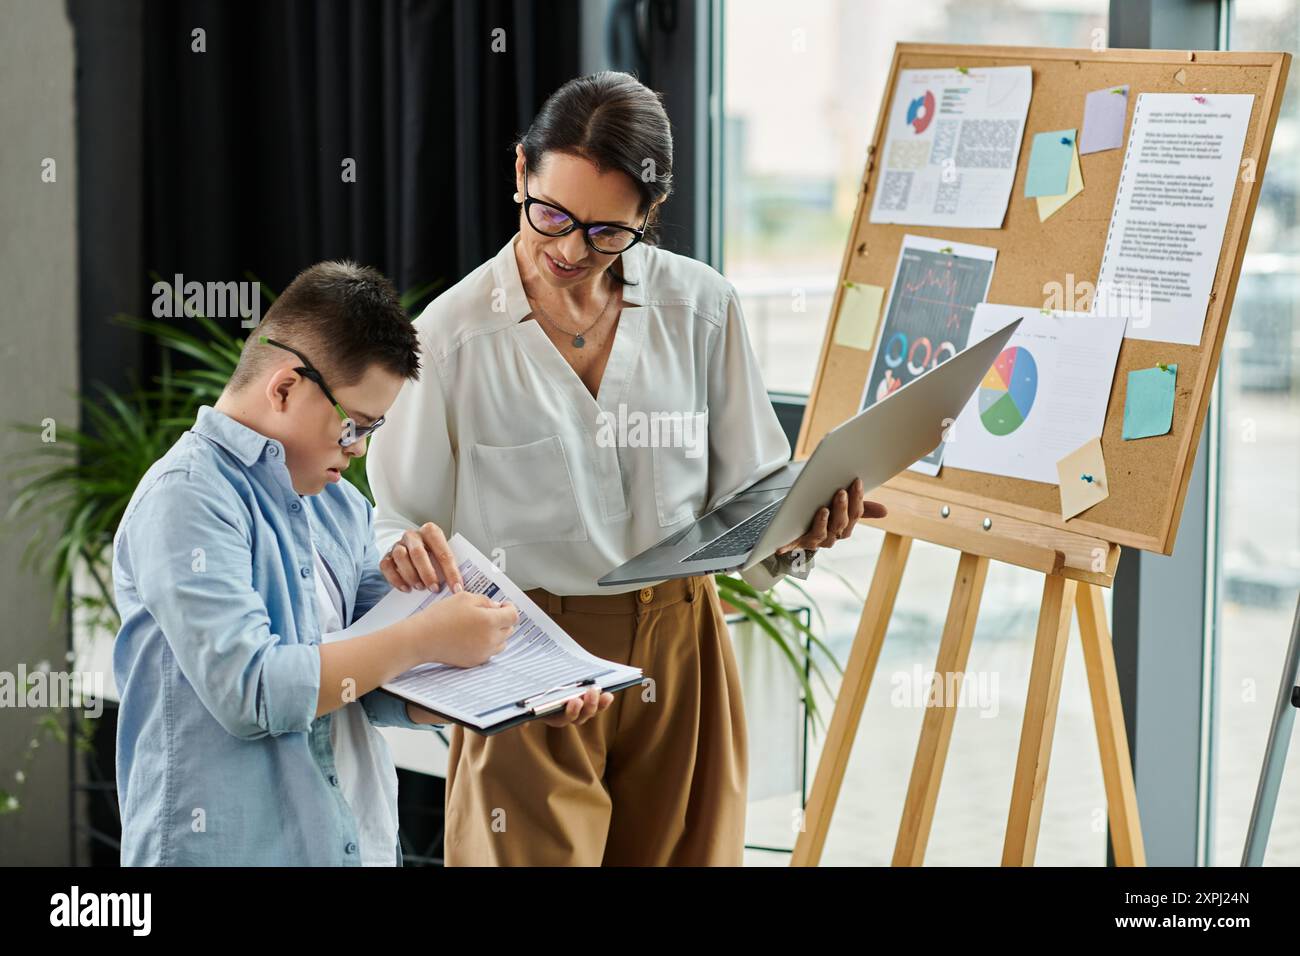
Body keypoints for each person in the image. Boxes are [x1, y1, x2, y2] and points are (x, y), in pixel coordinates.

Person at [367, 72, 882, 866]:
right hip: (527, 667)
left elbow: (750, 496)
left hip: (682, 648)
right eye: (551, 216)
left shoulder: (703, 309)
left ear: (648, 215)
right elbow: (400, 522)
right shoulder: (451, 339)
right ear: (519, 174)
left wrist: (801, 525)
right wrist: (409, 569)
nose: (571, 250)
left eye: (607, 232)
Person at [111, 260, 610, 866]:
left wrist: (525, 692)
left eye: (371, 430)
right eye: (353, 426)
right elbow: (254, 693)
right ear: (285, 387)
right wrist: (423, 633)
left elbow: (372, 687)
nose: (358, 450)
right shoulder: (186, 498)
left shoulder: (339, 506)